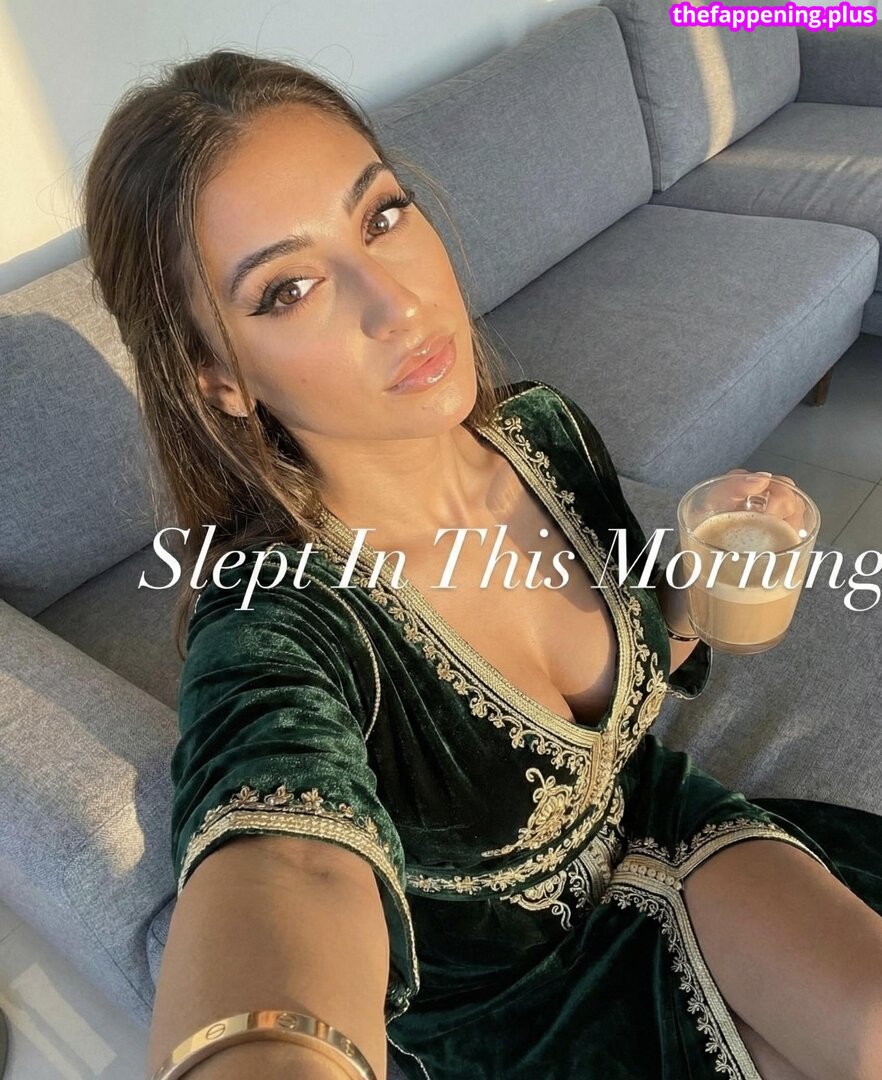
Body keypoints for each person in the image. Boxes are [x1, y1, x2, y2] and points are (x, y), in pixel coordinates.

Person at [82, 49, 882, 1080]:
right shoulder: (279, 620)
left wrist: (701, 584)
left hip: (670, 833)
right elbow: (289, 862)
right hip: (516, 1012)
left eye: (381, 216)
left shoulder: (546, 434)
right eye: (288, 289)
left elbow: (650, 647)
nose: (397, 303)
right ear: (217, 378)